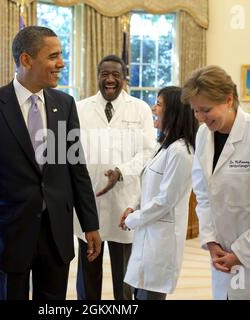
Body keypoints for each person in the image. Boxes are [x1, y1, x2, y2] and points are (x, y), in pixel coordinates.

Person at [0, 26, 101, 300]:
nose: (61, 63)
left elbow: (77, 168)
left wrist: (90, 223)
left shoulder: (65, 104)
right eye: (53, 56)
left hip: (56, 235)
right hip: (9, 236)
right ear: (26, 60)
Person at [181, 65, 250, 300]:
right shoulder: (204, 135)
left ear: (229, 100)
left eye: (206, 110)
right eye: (195, 111)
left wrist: (240, 253)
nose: (201, 118)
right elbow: (203, 195)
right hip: (222, 256)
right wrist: (211, 241)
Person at [75, 55, 155, 300]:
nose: (110, 80)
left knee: (125, 275)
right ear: (97, 77)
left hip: (125, 201)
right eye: (104, 74)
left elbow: (148, 151)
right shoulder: (80, 108)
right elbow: (71, 153)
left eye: (115, 75)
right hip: (91, 201)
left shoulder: (139, 108)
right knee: (88, 272)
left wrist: (121, 171)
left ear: (124, 79)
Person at [119, 86, 198, 300]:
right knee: (139, 291)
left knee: (150, 294)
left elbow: (165, 201)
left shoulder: (181, 153)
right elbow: (147, 182)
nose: (154, 108)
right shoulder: (163, 146)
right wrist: (132, 206)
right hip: (148, 233)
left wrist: (133, 219)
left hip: (162, 242)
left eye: (159, 104)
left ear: (173, 112)